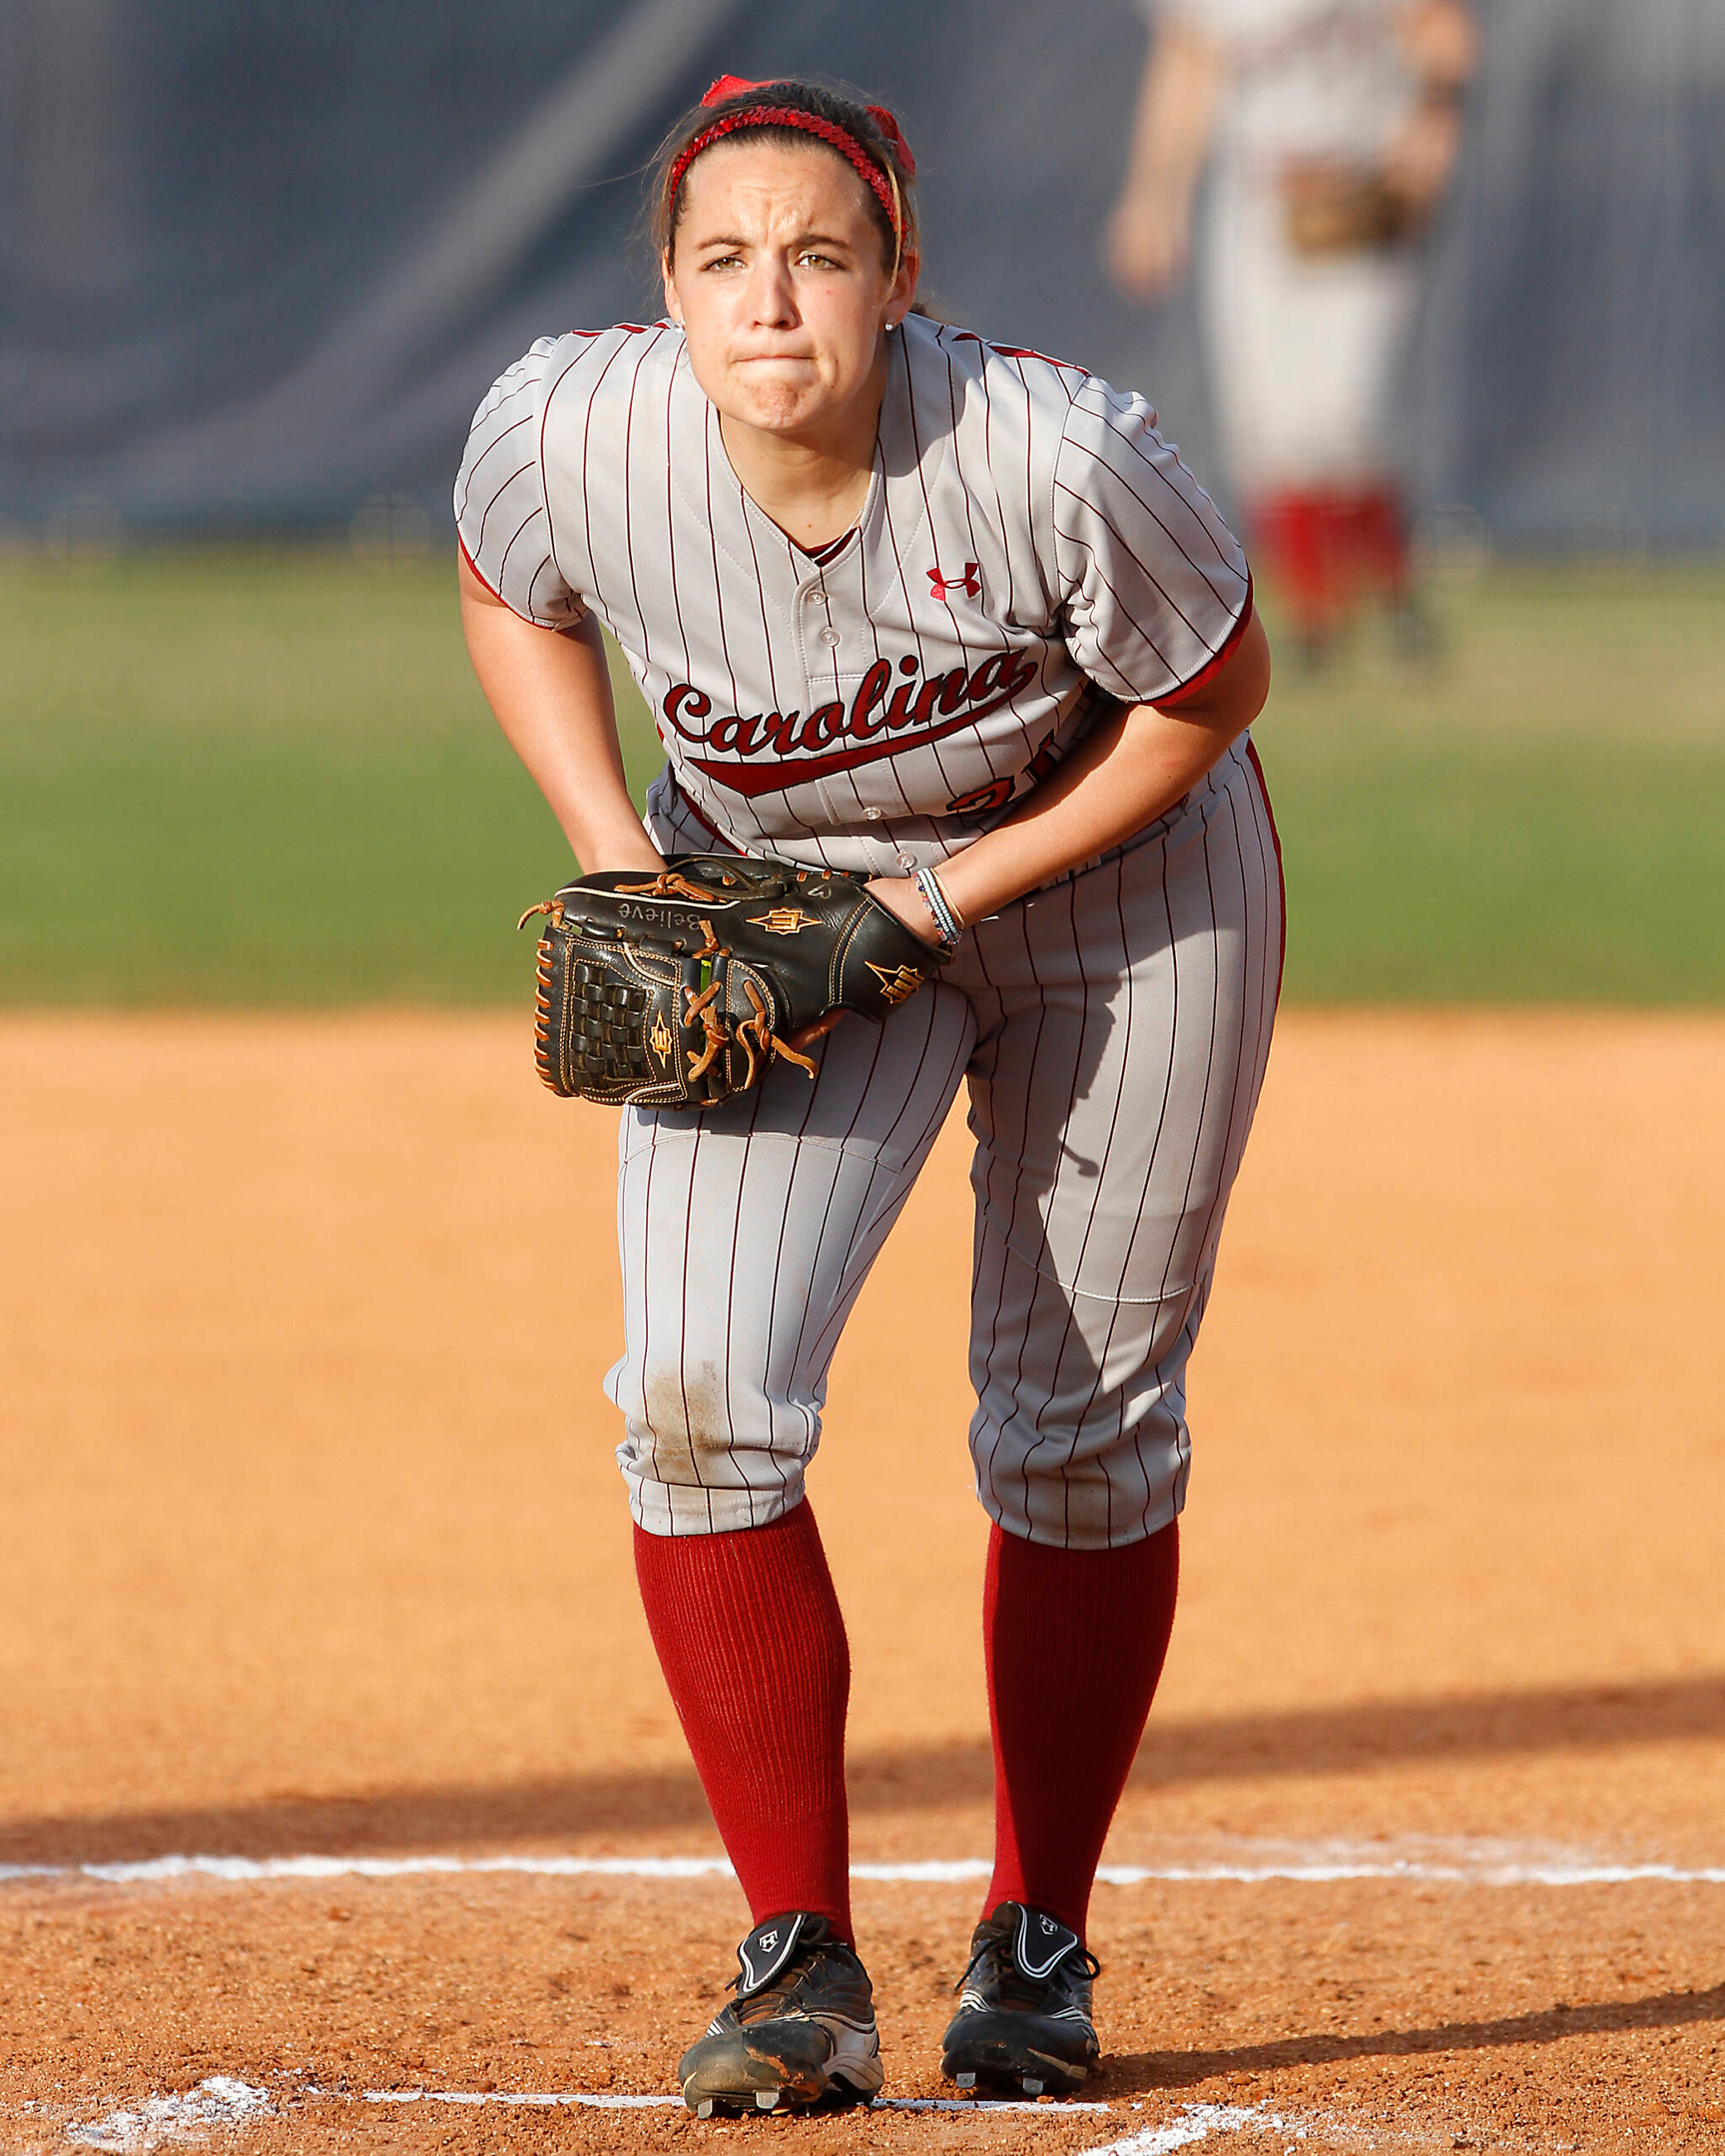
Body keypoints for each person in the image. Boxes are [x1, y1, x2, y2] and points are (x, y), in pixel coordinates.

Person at [456, 74, 1280, 2119]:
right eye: (722, 260)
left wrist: (934, 902)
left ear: (902, 276)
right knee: (701, 1395)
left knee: (1080, 1429)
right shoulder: (575, 428)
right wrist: (621, 861)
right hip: (767, 912)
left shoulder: (1056, 455)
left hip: (1123, 889)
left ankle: (1035, 1939)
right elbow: (506, 590)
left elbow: (1212, 696)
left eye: (821, 255)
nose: (771, 301)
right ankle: (797, 1962)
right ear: (664, 288)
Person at [1106, 0, 1476, 663]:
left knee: (1347, 413)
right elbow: (1187, 64)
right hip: (1260, 197)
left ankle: (1392, 591)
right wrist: (1153, 196)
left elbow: (1443, 30)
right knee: (1268, 423)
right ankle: (1314, 616)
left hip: (1361, 188)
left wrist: (1434, 118)